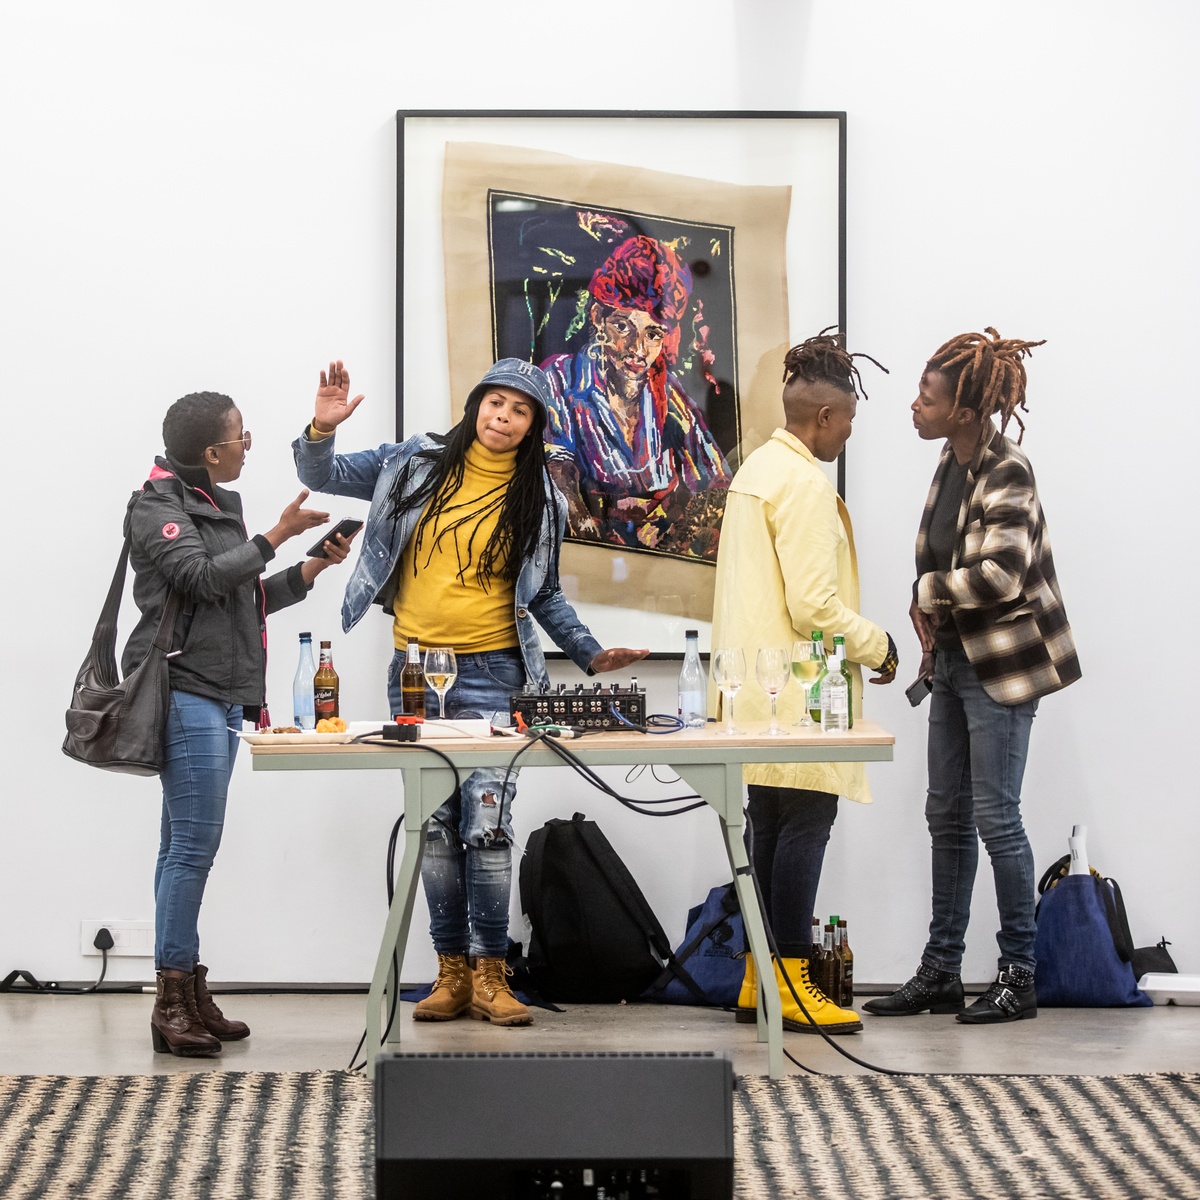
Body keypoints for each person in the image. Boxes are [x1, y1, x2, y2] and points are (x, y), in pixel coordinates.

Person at [294, 358, 648, 1027]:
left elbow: (541, 594)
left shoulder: (540, 497)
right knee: (432, 828)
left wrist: (590, 653)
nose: (503, 418)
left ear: (534, 424)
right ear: (476, 403)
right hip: (414, 674)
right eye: (495, 403)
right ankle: (449, 971)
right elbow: (321, 475)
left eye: (519, 410)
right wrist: (322, 426)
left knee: (486, 825)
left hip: (495, 675)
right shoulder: (414, 461)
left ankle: (491, 974)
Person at [125, 391, 355, 1057]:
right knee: (192, 848)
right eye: (240, 434)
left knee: (184, 847)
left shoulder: (221, 505)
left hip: (224, 691)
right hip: (185, 688)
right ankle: (172, 999)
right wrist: (275, 536)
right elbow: (198, 578)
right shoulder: (157, 505)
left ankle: (188, 992)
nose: (248, 442)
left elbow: (240, 597)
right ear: (211, 451)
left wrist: (309, 564)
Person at [864, 328, 1081, 1025]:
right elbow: (949, 560)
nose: (914, 407)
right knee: (946, 816)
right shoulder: (951, 464)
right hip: (954, 662)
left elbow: (999, 575)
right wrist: (932, 598)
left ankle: (1019, 972)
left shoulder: (1007, 469)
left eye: (926, 398)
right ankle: (941, 970)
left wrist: (927, 592)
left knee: (996, 817)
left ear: (964, 408)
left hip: (1003, 669)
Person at [710, 331, 898, 1034]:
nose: (848, 434)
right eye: (848, 421)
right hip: (800, 690)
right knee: (806, 827)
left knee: (767, 825)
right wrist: (879, 646)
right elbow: (813, 606)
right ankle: (791, 983)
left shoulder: (755, 470)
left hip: (752, 693)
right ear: (824, 416)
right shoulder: (805, 486)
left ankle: (760, 979)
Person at [540, 234, 732, 558]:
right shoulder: (561, 379)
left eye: (653, 333)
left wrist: (673, 534)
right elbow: (556, 471)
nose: (637, 350)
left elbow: (716, 481)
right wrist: (591, 534)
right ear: (599, 319)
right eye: (623, 327)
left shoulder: (670, 395)